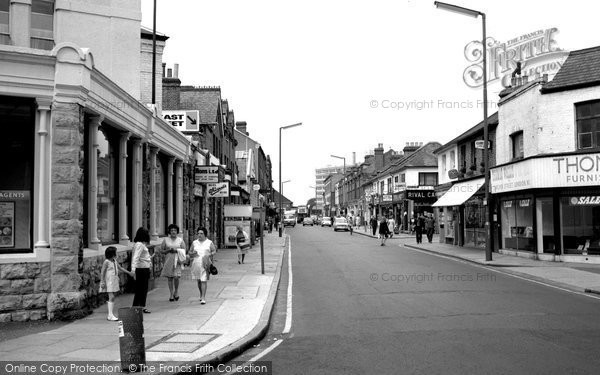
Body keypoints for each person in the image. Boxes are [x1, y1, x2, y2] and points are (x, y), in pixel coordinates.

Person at [100, 246, 133, 321]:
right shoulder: (106, 262)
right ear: (112, 254)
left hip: (114, 280)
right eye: (115, 252)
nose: (116, 253)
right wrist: (102, 281)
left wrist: (129, 273)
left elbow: (120, 268)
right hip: (109, 281)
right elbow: (102, 272)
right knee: (111, 297)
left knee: (112, 297)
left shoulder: (114, 261)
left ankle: (110, 314)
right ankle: (110, 315)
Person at [189, 227, 217, 304]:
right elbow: (190, 252)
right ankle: (201, 294)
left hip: (205, 263)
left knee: (203, 280)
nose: (199, 235)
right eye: (198, 233)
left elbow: (214, 250)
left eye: (201, 233)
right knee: (199, 281)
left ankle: (203, 298)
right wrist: (192, 253)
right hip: (196, 263)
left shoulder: (209, 242)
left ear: (205, 234)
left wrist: (209, 254)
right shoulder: (194, 242)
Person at [160, 224, 186, 302]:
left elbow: (184, 250)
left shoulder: (180, 240)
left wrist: (177, 251)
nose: (173, 232)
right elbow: (161, 250)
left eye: (174, 230)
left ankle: (176, 291)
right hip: (168, 260)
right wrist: (168, 250)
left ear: (177, 232)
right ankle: (171, 294)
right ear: (169, 232)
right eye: (171, 230)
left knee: (176, 277)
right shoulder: (165, 240)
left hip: (177, 260)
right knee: (170, 277)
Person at [131, 227, 153, 313]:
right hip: (141, 269)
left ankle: (142, 306)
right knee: (140, 289)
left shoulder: (141, 244)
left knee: (144, 289)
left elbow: (143, 257)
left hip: (145, 268)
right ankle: (136, 307)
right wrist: (133, 270)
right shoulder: (139, 245)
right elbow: (135, 257)